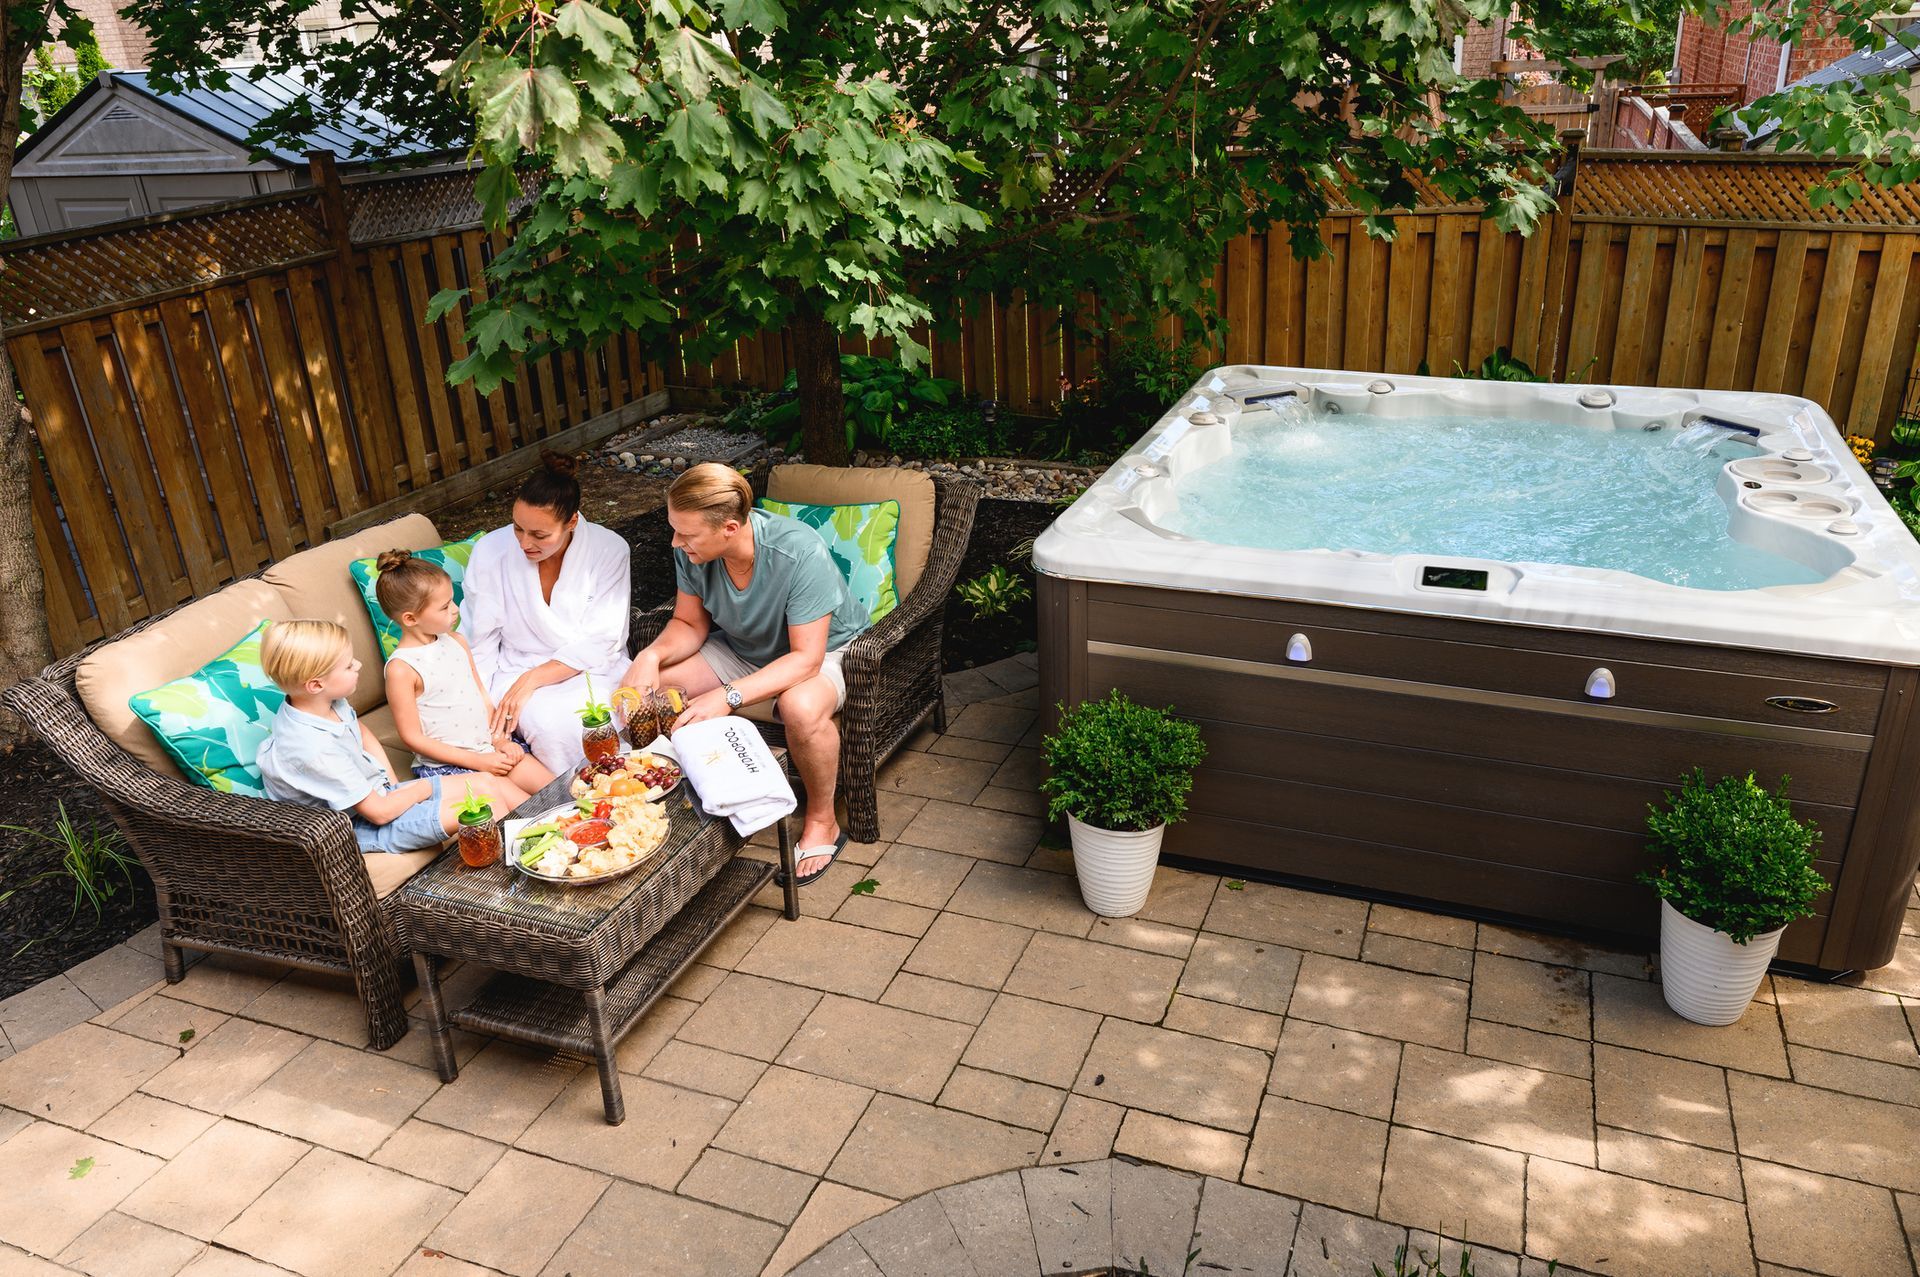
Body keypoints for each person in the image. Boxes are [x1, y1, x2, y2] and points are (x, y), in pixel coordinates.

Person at [621, 463, 869, 884]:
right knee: (658, 686)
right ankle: (679, 797)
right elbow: (689, 625)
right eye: (674, 529)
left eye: (687, 534)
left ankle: (822, 820)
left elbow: (805, 659)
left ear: (730, 528)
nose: (675, 542)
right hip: (743, 649)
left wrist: (727, 697)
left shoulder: (797, 552)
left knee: (800, 707)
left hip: (824, 650)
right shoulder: (694, 551)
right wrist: (650, 657)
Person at [256, 619, 527, 854]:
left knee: (491, 783)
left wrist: (394, 784)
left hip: (380, 797)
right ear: (316, 684)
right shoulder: (312, 749)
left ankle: (554, 838)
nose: (359, 665)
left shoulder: (322, 701)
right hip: (356, 827)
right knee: (484, 805)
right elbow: (380, 813)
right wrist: (416, 791)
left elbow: (360, 731)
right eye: (349, 666)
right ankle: (520, 870)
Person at [460, 453, 633, 774]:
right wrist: (482, 708)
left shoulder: (610, 549)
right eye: (517, 529)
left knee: (609, 717)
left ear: (571, 522)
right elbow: (479, 641)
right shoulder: (490, 552)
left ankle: (636, 788)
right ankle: (582, 801)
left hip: (590, 668)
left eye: (540, 535)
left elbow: (604, 639)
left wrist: (535, 678)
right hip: (514, 668)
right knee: (555, 727)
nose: (525, 543)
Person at [375, 549, 554, 793]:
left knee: (557, 791)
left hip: (489, 748)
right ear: (410, 618)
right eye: (445, 606)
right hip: (453, 767)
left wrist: (500, 740)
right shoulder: (402, 669)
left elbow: (481, 694)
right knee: (525, 813)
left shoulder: (456, 641)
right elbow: (412, 738)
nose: (456, 609)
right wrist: (478, 762)